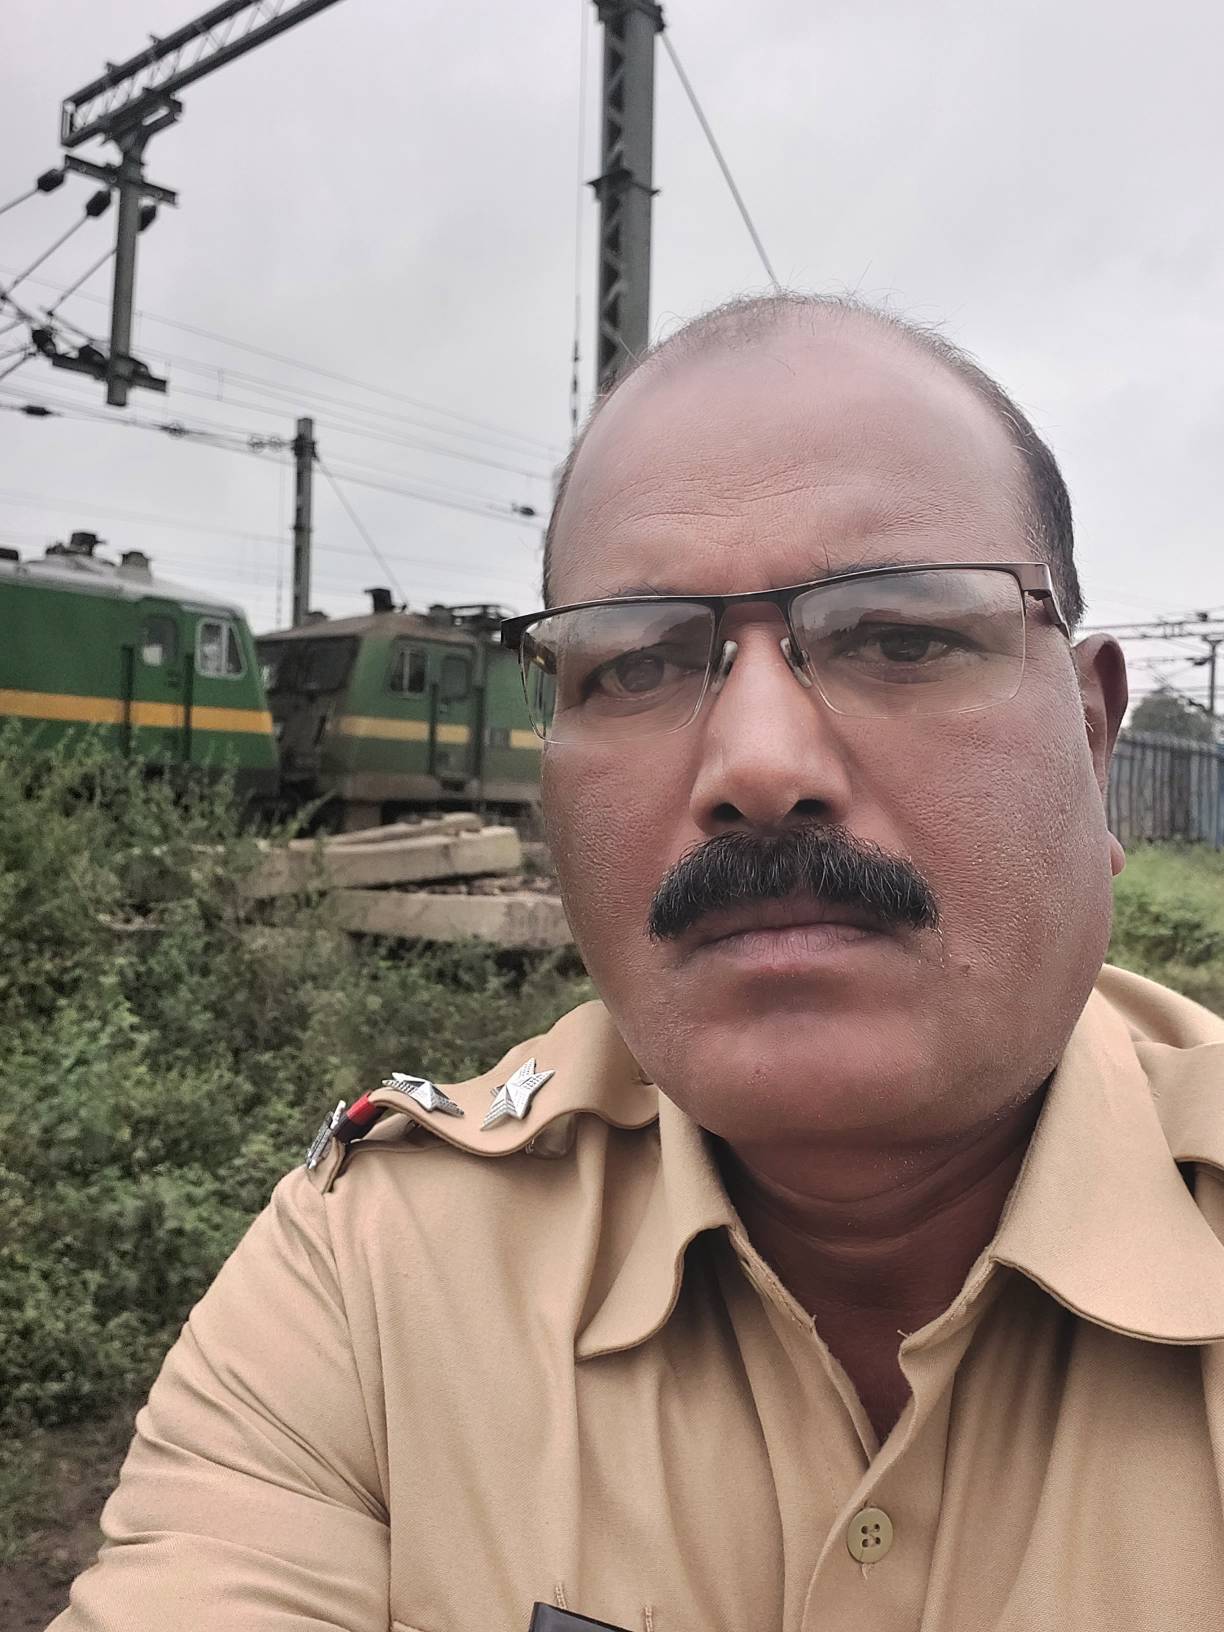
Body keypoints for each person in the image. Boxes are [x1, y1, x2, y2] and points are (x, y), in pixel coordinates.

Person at [54, 295, 1224, 1632]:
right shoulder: (372, 1278)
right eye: (637, 664)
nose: (760, 765)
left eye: (901, 638)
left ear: (1092, 740)